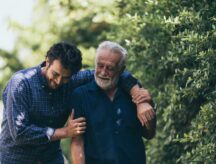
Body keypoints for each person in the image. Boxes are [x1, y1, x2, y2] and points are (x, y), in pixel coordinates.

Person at [0, 42, 152, 163]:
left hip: (50, 158)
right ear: (47, 61)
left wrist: (139, 98)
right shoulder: (21, 84)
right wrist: (65, 132)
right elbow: (19, 133)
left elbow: (114, 73)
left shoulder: (73, 80)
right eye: (55, 74)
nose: (58, 82)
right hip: (16, 158)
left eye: (65, 78)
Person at [71, 41, 156, 164]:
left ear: (121, 70)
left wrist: (149, 108)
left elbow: (149, 134)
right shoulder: (80, 95)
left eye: (110, 68)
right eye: (100, 66)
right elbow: (77, 142)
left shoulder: (135, 93)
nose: (103, 72)